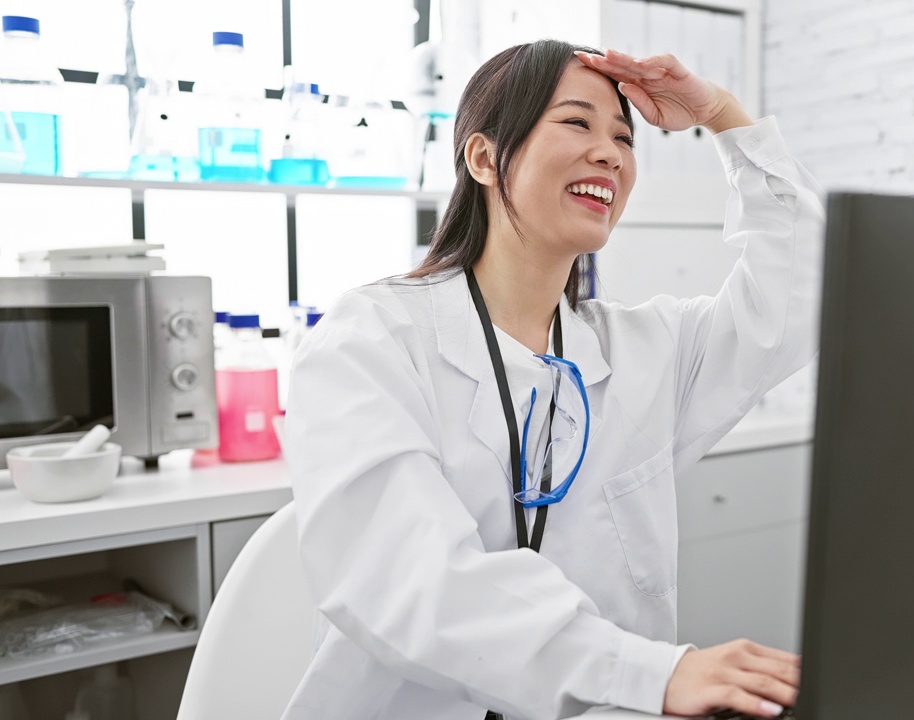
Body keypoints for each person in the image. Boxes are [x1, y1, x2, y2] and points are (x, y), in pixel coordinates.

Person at [281, 39, 824, 720]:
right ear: (483, 157)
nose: (610, 154)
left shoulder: (643, 351)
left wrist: (719, 112)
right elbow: (411, 581)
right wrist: (652, 674)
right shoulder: (370, 340)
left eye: (624, 137)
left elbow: (801, 291)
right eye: (576, 123)